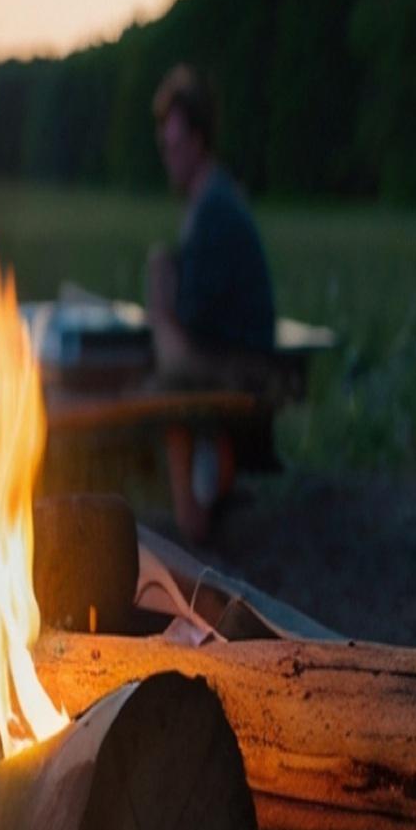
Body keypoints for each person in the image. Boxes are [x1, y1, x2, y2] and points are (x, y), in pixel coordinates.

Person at [146, 65, 276, 543]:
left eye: (176, 147)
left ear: (199, 141)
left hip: (241, 361)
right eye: (165, 147)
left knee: (165, 374)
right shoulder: (210, 199)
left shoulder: (214, 208)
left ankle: (193, 512)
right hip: (233, 349)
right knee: (163, 353)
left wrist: (162, 295)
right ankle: (207, 481)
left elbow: (194, 321)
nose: (170, 158)